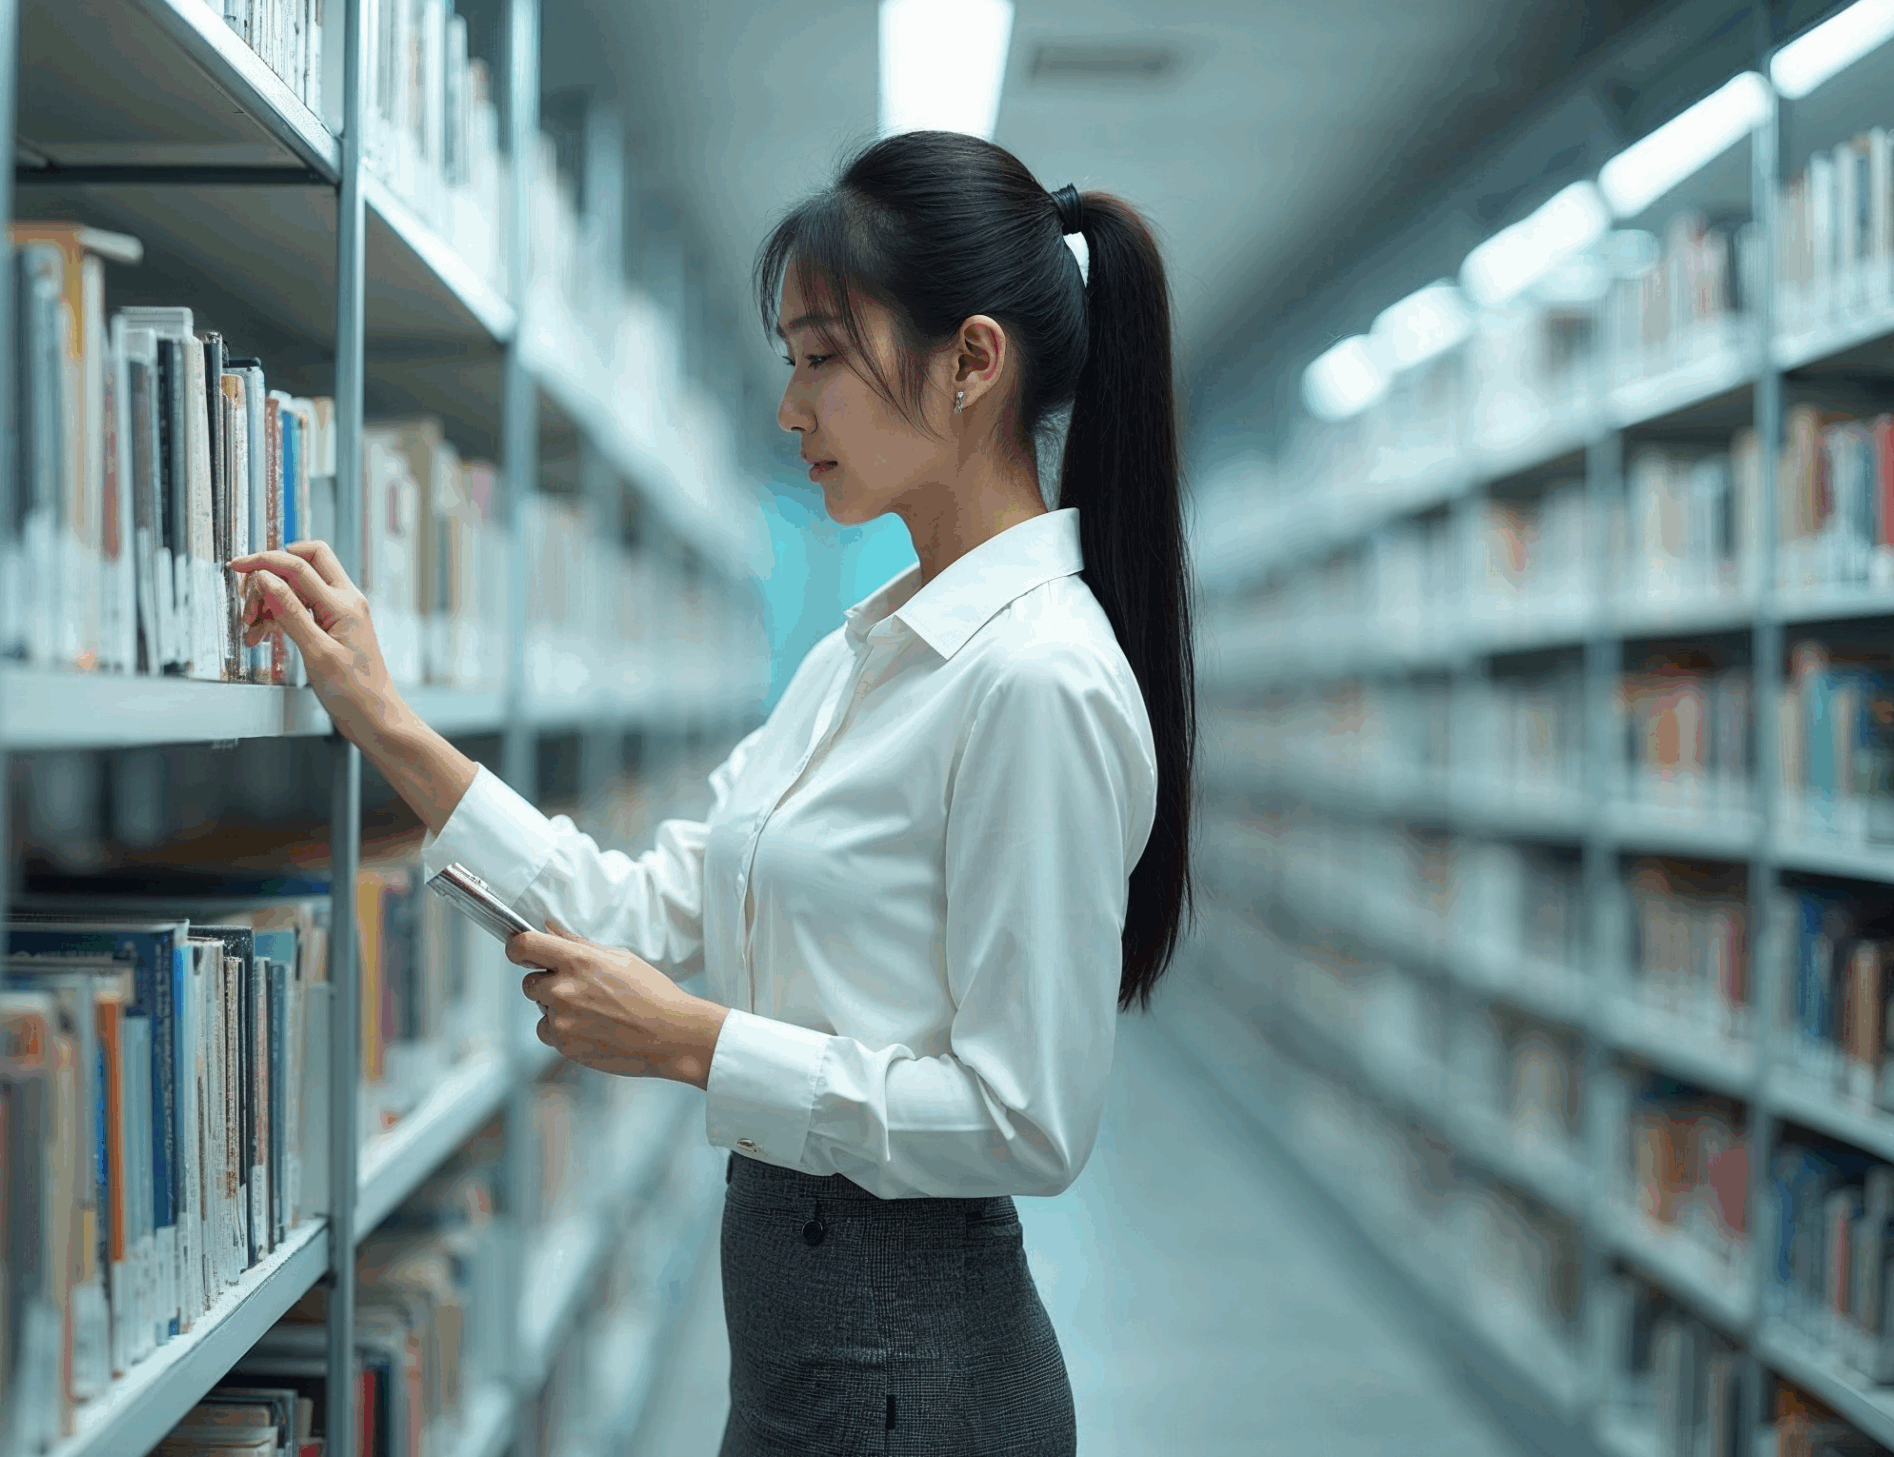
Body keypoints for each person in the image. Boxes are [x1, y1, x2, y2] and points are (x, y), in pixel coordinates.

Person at [233, 130, 1193, 1457]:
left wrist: (695, 1042)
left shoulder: (1037, 681)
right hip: (806, 1351)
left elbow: (1024, 1118)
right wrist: (383, 717)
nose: (788, 409)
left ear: (975, 360)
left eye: (820, 360)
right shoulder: (861, 654)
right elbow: (641, 909)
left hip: (919, 1377)